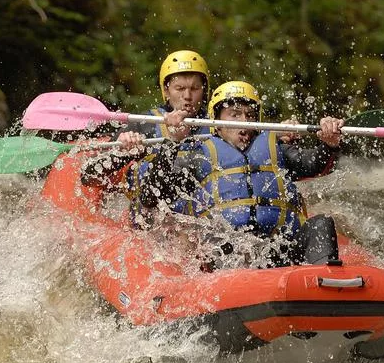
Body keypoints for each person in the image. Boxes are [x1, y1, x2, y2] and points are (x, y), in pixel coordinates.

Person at [133, 80, 345, 268]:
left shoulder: (276, 149)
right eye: (234, 115)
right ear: (216, 123)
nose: (243, 123)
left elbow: (314, 165)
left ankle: (327, 289)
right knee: (221, 242)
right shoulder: (198, 156)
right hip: (229, 251)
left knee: (321, 223)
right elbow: (153, 195)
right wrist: (173, 141)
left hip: (281, 246)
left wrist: (328, 144)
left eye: (249, 116)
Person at [81, 49, 211, 191]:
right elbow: (88, 176)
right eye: (179, 88)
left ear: (204, 91)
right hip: (152, 208)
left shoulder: (217, 127)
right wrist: (123, 154)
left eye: (195, 88)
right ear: (166, 92)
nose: (187, 95)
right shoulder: (145, 124)